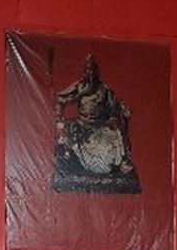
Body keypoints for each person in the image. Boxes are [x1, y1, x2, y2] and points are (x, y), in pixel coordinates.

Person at [53, 54, 140, 193]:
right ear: (85, 71)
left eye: (93, 69)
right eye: (88, 69)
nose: (91, 72)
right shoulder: (79, 86)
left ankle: (122, 161)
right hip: (81, 124)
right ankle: (70, 159)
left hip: (100, 125)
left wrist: (114, 118)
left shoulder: (105, 90)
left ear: (97, 71)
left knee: (115, 133)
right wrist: (59, 116)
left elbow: (113, 109)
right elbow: (61, 99)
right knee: (67, 131)